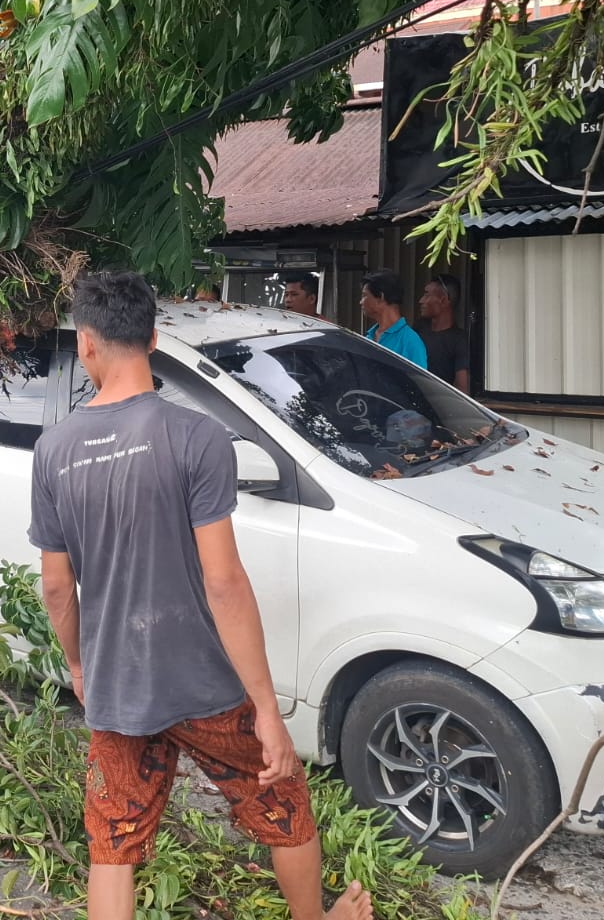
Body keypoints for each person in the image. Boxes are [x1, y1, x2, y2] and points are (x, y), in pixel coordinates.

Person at [30, 271, 372, 920]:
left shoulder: (54, 450)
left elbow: (55, 585)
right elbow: (224, 581)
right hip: (207, 685)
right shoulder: (197, 437)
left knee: (114, 847)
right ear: (155, 338)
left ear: (87, 345)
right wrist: (268, 709)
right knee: (283, 801)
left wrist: (80, 668)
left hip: (119, 690)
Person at [360, 270, 427, 369]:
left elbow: (419, 383)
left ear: (381, 297)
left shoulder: (411, 342)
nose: (361, 302)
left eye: (364, 295)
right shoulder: (369, 337)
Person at [418, 274, 471, 393]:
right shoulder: (418, 330)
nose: (421, 300)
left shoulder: (459, 340)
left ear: (443, 299)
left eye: (426, 294)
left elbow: (463, 389)